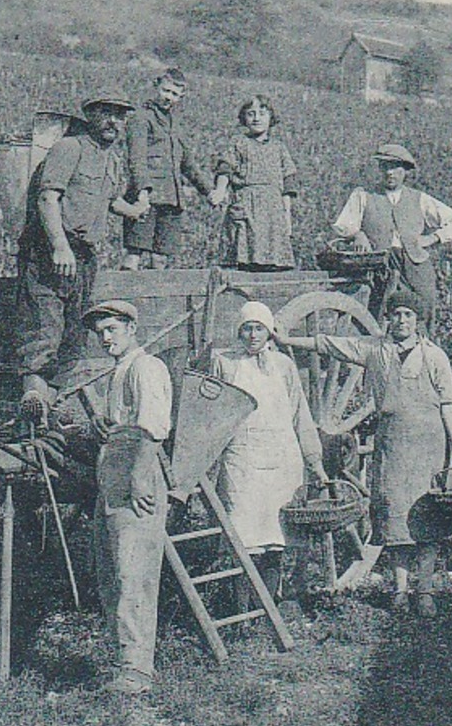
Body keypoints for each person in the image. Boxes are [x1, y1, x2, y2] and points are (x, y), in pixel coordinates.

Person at [276, 289, 452, 618]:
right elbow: (329, 344)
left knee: (428, 520)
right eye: (396, 314)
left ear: (418, 321)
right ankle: (398, 591)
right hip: (393, 445)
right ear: (389, 318)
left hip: (430, 446)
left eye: (408, 315)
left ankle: (423, 591)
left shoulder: (435, 356)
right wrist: (287, 340)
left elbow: (449, 406)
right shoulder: (375, 349)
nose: (401, 320)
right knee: (396, 521)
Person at [15, 98, 134, 408]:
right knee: (44, 335)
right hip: (49, 252)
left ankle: (46, 410)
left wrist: (134, 211)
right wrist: (59, 246)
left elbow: (109, 200)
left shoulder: (111, 159)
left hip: (84, 257)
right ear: (90, 115)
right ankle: (33, 401)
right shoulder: (69, 148)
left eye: (120, 116)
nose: (113, 121)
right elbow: (47, 198)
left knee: (74, 342)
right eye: (106, 113)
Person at [209, 301, 328, 604]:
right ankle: (242, 612)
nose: (252, 335)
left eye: (258, 328)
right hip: (243, 459)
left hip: (281, 457)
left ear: (269, 332)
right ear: (239, 331)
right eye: (247, 328)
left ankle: (268, 607)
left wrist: (314, 460)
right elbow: (210, 413)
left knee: (275, 536)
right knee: (243, 534)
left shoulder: (283, 366)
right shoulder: (225, 363)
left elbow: (300, 414)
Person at [84, 299, 174, 694]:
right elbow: (124, 423)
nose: (105, 339)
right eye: (100, 332)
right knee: (112, 570)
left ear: (131, 328)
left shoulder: (147, 367)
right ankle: (124, 659)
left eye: (112, 330)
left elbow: (153, 428)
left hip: (138, 467)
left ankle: (138, 670)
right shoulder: (119, 371)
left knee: (133, 571)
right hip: (115, 467)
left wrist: (140, 479)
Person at [329, 143, 452, 324]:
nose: (390, 173)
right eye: (385, 167)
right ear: (379, 169)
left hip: (414, 263)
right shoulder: (363, 195)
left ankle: (423, 347)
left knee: (424, 307)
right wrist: (357, 234)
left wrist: (432, 238)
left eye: (395, 167)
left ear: (405, 171)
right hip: (379, 264)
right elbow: (343, 225)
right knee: (379, 313)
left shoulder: (419, 199)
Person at [122, 67, 219, 270]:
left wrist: (209, 191)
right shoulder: (140, 117)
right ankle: (124, 299)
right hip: (146, 198)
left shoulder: (176, 123)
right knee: (135, 253)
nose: (169, 97)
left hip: (171, 199)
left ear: (181, 96)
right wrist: (141, 193)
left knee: (161, 259)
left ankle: (154, 301)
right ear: (156, 86)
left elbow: (188, 164)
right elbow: (136, 159)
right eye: (166, 91)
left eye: (175, 94)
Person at [213, 96, 299, 271]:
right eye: (251, 114)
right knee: (243, 259)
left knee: (273, 262)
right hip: (246, 206)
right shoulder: (239, 143)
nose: (256, 118)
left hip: (273, 213)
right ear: (244, 118)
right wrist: (220, 190)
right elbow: (225, 168)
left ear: (271, 117)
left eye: (262, 113)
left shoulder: (279, 148)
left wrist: (287, 216)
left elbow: (288, 184)